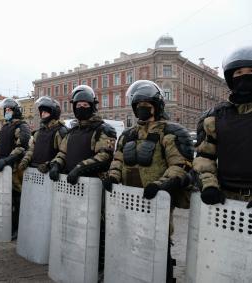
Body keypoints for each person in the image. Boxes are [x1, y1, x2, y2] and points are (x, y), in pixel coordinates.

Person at [103, 80, 194, 282]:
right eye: (139, 105)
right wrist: (113, 177)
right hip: (128, 200)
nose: (143, 108)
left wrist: (161, 184)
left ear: (157, 106)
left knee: (159, 244)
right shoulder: (127, 135)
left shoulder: (169, 132)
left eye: (147, 104)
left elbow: (181, 164)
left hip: (156, 200)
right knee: (130, 239)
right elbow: (117, 161)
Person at [48, 85, 117, 276]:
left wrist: (80, 167)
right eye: (78, 104)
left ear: (93, 106)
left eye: (85, 104)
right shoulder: (71, 132)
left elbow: (105, 156)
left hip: (95, 186)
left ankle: (100, 266)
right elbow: (62, 153)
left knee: (98, 227)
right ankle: (75, 258)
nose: (81, 107)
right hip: (72, 187)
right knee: (74, 223)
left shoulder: (104, 129)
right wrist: (55, 165)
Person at [194, 46, 252, 209]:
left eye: (250, 71)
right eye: (239, 73)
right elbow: (205, 156)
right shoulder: (215, 116)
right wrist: (209, 185)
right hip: (225, 201)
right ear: (230, 78)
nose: (245, 76)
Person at [0, 98, 31, 238]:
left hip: (16, 169)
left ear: (16, 111)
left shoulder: (22, 126)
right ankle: (8, 224)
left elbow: (22, 147)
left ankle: (18, 228)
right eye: (5, 110)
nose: (7, 112)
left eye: (9, 110)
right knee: (7, 199)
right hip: (4, 168)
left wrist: (7, 160)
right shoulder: (5, 127)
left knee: (18, 199)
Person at [18, 97, 67, 173]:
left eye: (46, 112)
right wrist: (25, 160)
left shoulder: (60, 131)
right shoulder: (39, 132)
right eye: (42, 112)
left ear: (54, 113)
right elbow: (32, 150)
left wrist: (50, 165)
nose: (43, 114)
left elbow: (63, 153)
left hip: (50, 173)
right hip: (34, 170)